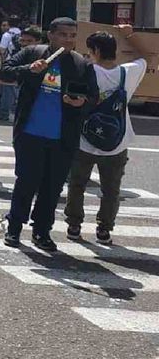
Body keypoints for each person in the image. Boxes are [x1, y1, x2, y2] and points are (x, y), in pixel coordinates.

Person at [0, 17, 96, 252]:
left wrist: (79, 102)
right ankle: (14, 228)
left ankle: (42, 231)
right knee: (26, 182)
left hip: (62, 137)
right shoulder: (32, 53)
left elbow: (93, 97)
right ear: (51, 35)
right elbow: (4, 73)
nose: (69, 40)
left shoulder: (81, 64)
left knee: (52, 188)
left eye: (73, 35)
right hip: (30, 132)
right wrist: (27, 69)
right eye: (63, 35)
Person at [65, 25, 146, 246]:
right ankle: (104, 230)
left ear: (96, 51)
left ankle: (74, 225)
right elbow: (147, 56)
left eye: (90, 51)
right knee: (111, 190)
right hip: (117, 142)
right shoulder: (129, 72)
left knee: (77, 184)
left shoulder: (85, 70)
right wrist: (128, 34)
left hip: (85, 140)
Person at [0, 17, 23, 120]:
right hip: (23, 62)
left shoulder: (7, 35)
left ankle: (4, 112)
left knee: (7, 87)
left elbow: (2, 50)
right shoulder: (22, 33)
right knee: (19, 86)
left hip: (11, 61)